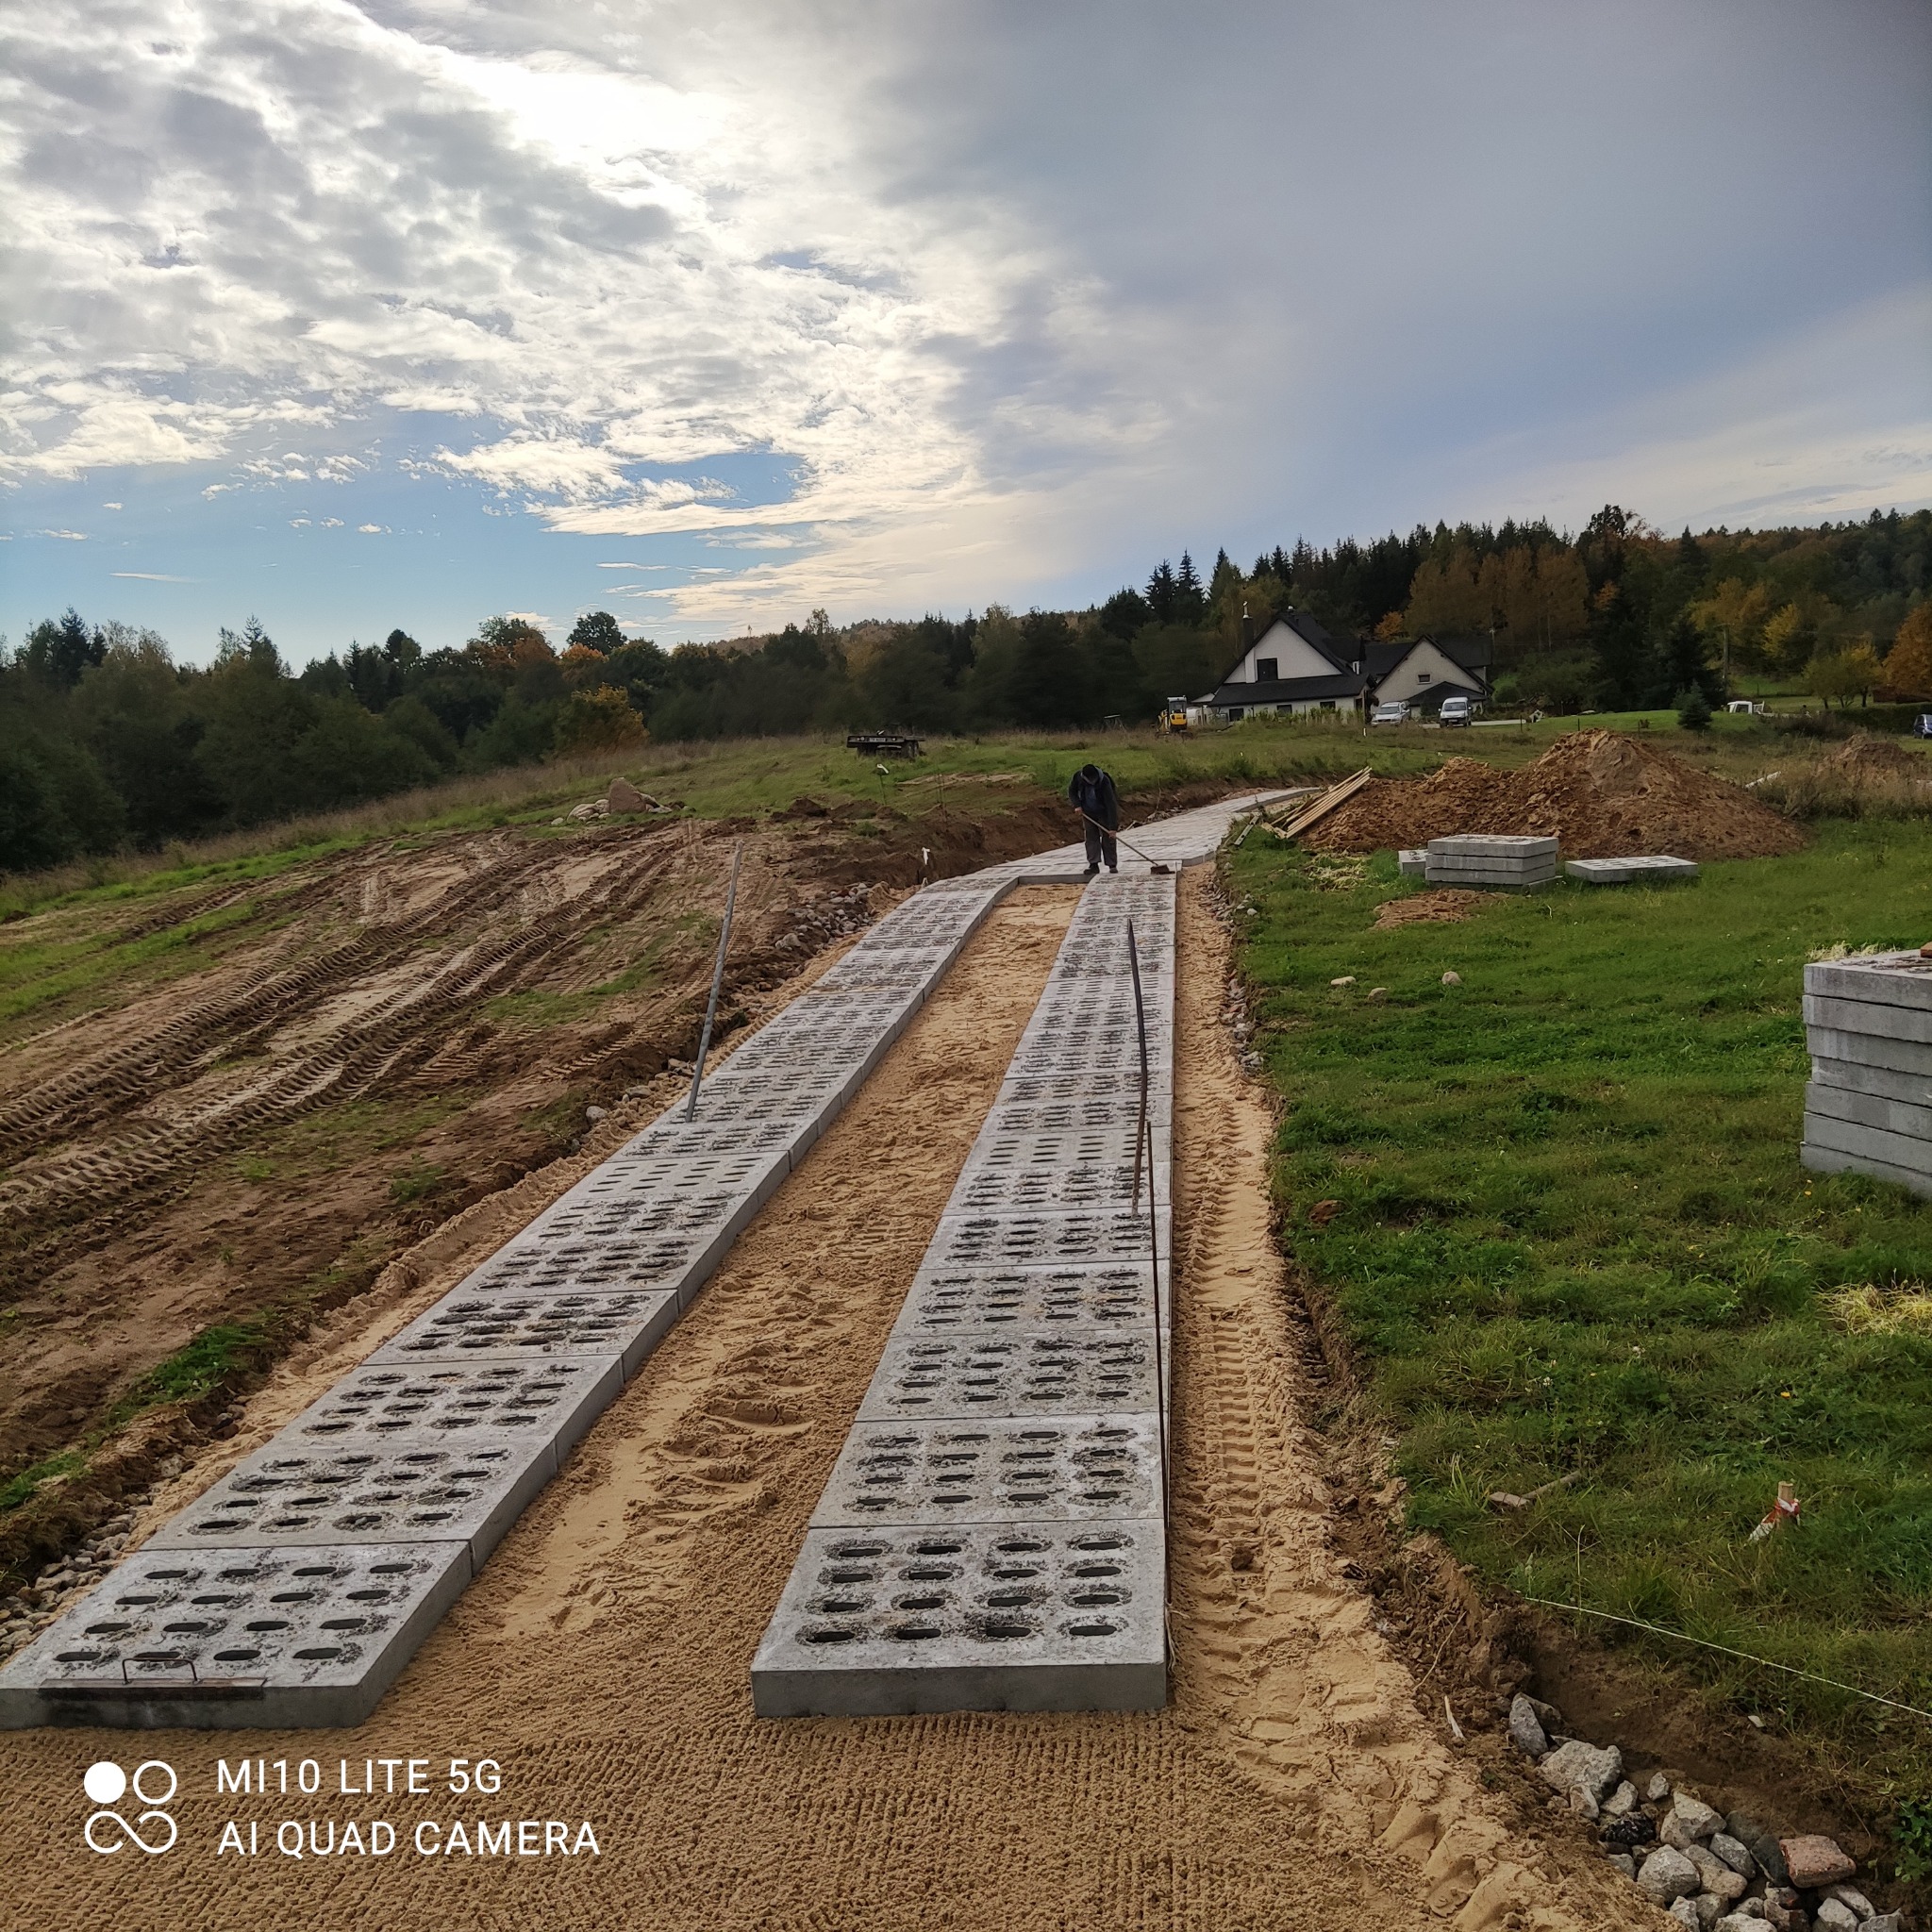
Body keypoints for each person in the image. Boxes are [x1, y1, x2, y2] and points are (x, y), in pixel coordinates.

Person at [1067, 762, 1120, 875]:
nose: (1092, 781)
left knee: (1108, 837)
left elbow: (1111, 804)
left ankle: (1112, 864)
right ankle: (1093, 865)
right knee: (1091, 837)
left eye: (1093, 779)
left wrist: (1113, 827)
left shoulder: (1104, 781)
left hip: (1103, 812)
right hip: (1088, 812)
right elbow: (1072, 791)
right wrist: (1077, 805)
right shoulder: (1078, 777)